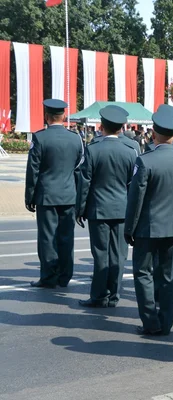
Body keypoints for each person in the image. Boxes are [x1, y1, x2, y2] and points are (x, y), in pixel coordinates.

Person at [125, 110, 173, 335]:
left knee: (143, 274)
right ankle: (166, 322)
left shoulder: (145, 161)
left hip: (148, 227)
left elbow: (135, 200)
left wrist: (129, 229)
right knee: (169, 276)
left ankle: (150, 322)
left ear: (153, 134)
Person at [76, 106, 137, 307]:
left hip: (99, 209)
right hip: (122, 210)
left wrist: (80, 209)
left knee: (101, 254)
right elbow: (134, 185)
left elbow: (85, 182)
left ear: (102, 126)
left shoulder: (93, 149)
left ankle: (99, 295)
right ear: (122, 127)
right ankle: (114, 295)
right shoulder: (130, 152)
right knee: (119, 255)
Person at [25, 99, 84, 288]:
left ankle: (49, 276)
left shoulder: (40, 138)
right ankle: (65, 276)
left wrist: (29, 196)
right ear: (63, 116)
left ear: (46, 116)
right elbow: (79, 170)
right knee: (66, 238)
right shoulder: (76, 138)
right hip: (69, 195)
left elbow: (33, 170)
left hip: (47, 195)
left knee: (47, 237)